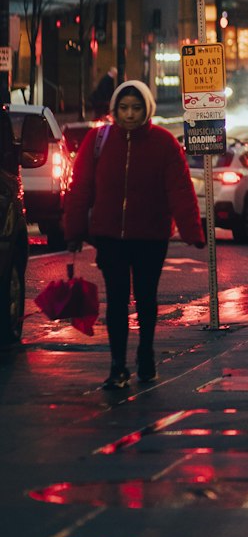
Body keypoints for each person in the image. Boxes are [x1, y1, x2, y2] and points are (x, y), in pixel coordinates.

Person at [64, 80, 205, 389]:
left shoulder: (164, 143)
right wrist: (73, 229)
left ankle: (145, 355)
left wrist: (193, 230)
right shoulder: (97, 140)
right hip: (109, 236)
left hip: (150, 236)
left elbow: (179, 189)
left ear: (147, 110)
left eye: (136, 108)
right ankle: (117, 365)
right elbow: (80, 187)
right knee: (116, 300)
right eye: (124, 108)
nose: (129, 114)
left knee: (145, 299)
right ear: (115, 109)